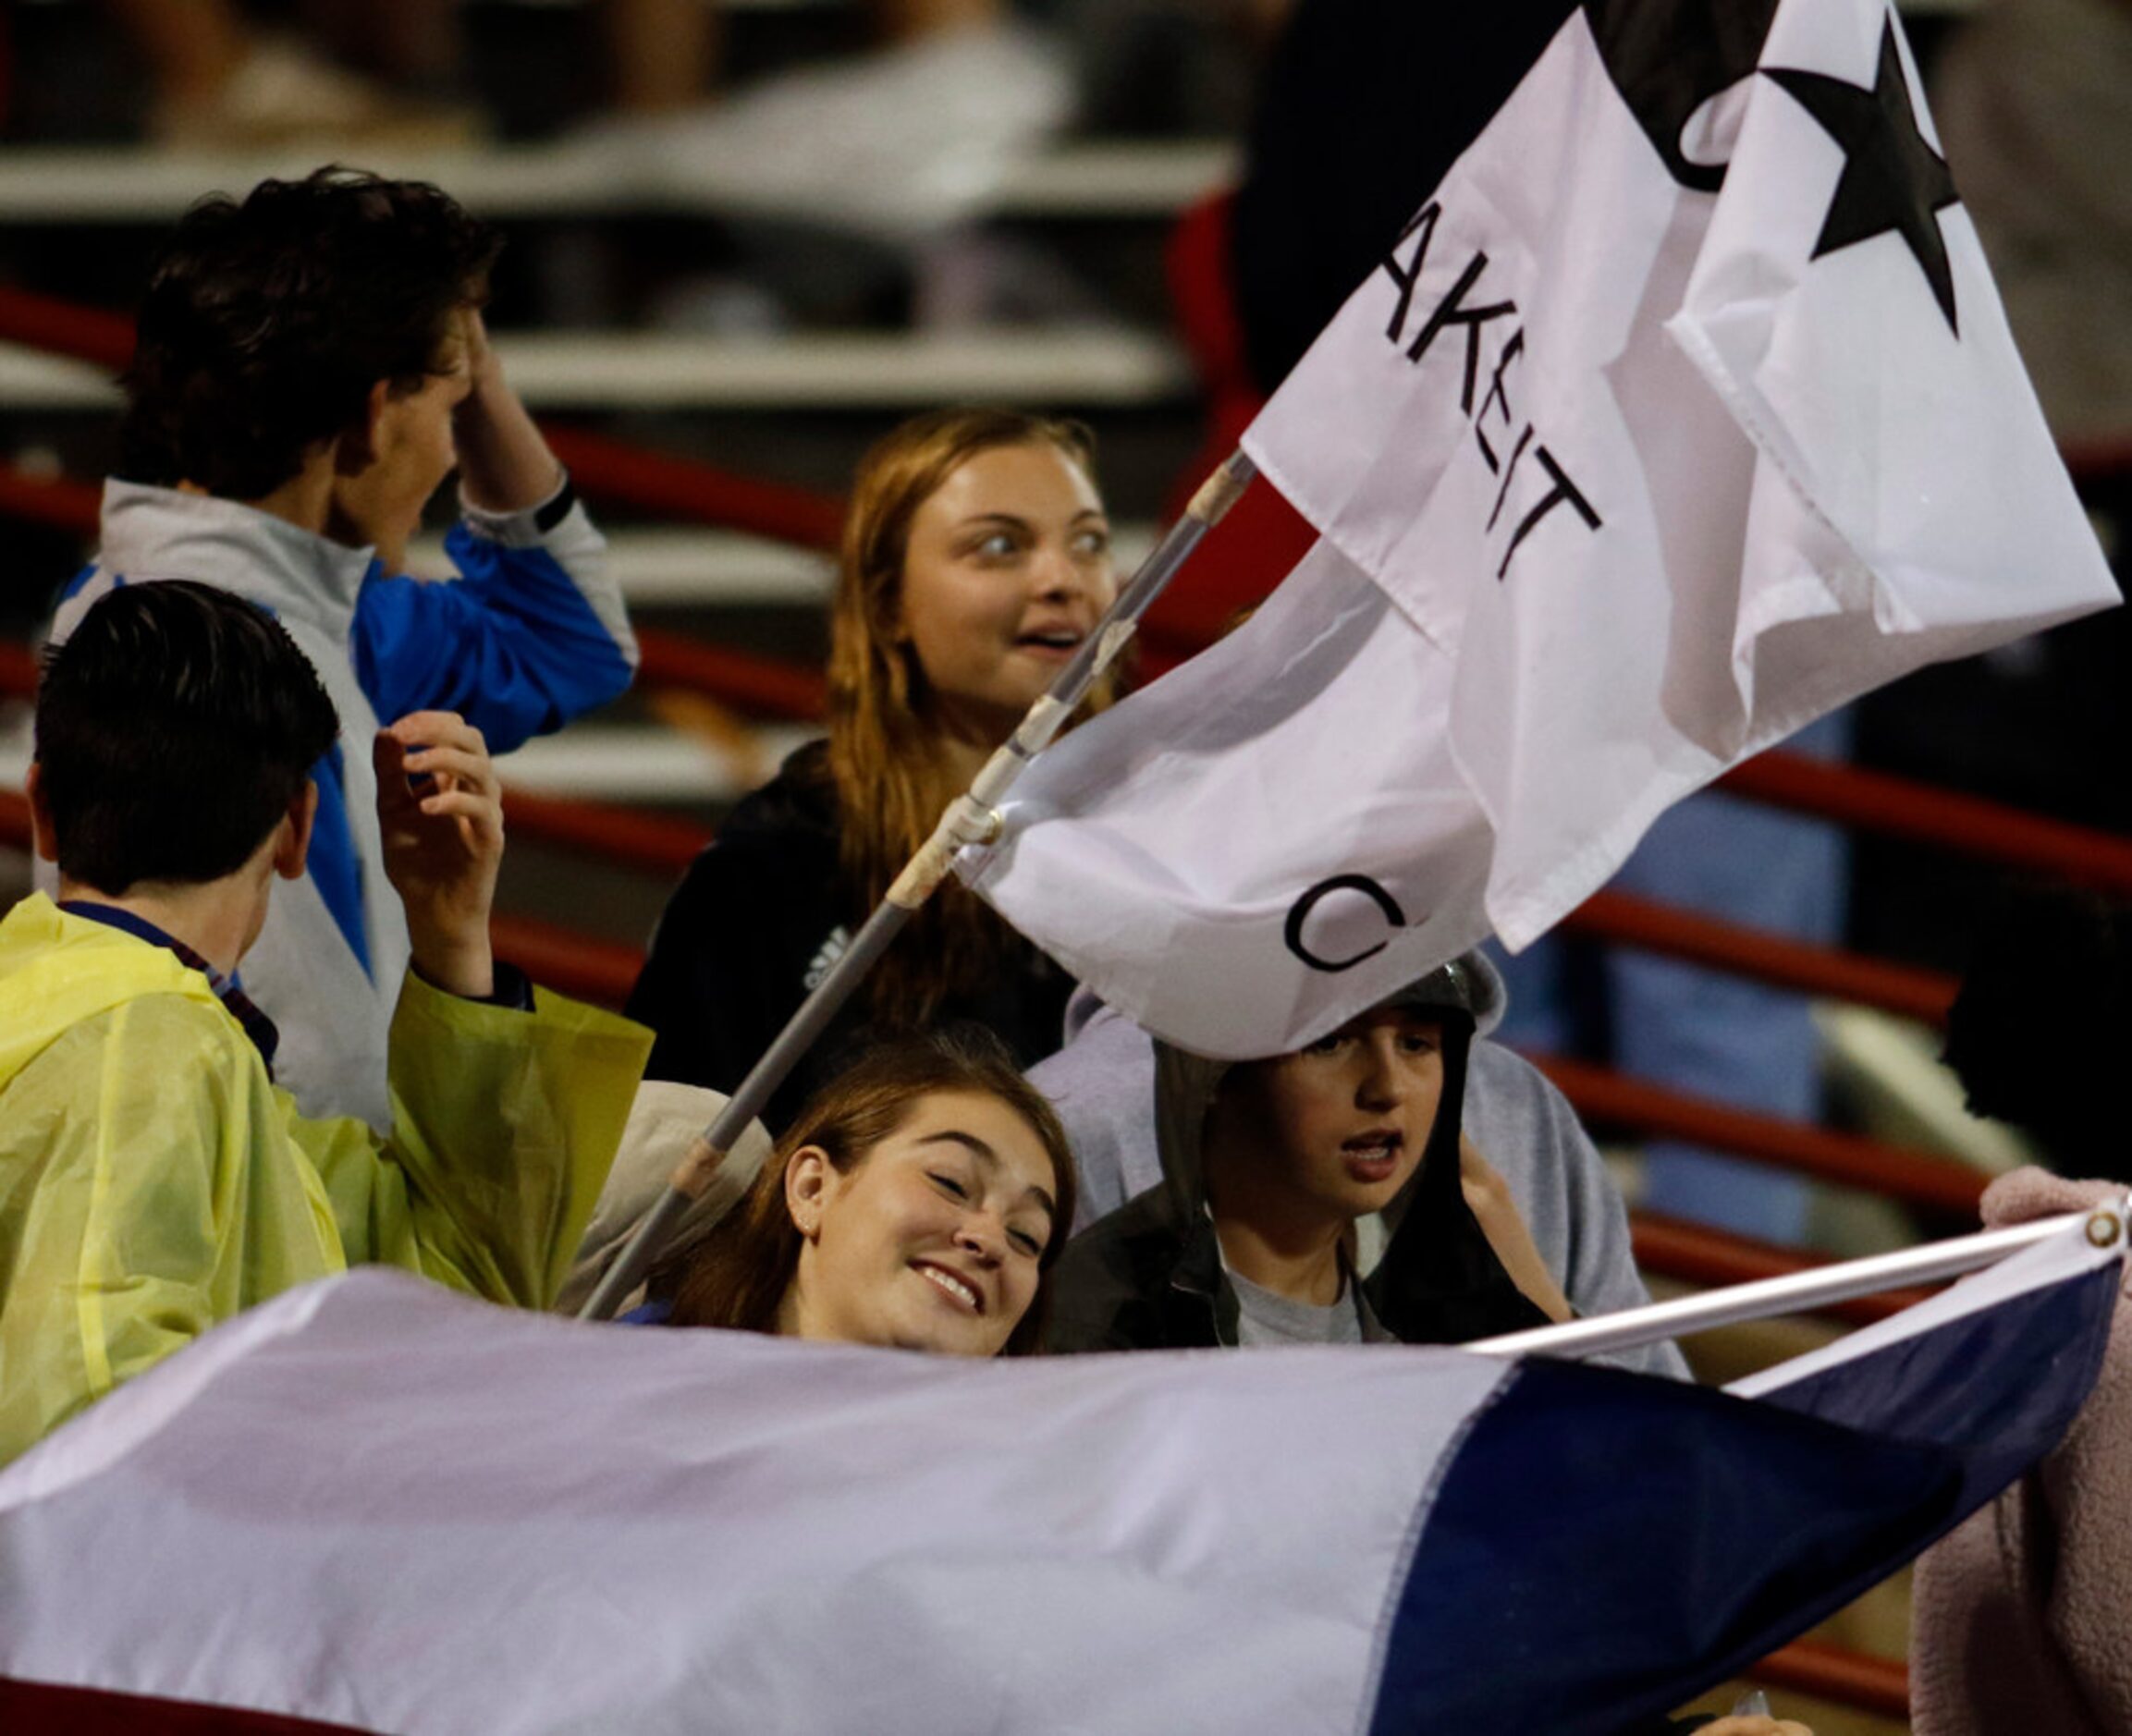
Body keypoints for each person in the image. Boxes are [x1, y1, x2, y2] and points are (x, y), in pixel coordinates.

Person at [0, 582, 653, 1465]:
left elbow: (458, 1291)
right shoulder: (147, 1044)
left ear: (39, 808)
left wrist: (452, 938)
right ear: (299, 829)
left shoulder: (145, 1033)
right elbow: (89, 1445)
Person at [49, 166, 638, 1130]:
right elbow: (311, 1070)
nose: (455, 453)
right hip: (287, 1227)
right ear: (374, 413)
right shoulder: (217, 670)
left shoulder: (312, 610)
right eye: (450, 412)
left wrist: (461, 359)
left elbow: (570, 645)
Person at [628, 406, 1116, 1127]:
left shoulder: (1164, 834)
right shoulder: (776, 864)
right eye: (1001, 546)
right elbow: (680, 1168)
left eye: (1088, 543)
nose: (1063, 579)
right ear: (888, 602)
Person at [1032, 950, 1687, 1374]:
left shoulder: (1514, 1110)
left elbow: (1666, 1481)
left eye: (1416, 1043)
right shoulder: (1076, 1128)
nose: (1387, 1088)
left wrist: (1537, 1317)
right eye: (1331, 1041)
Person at [649, 1027, 1077, 1357]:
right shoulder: (624, 1379)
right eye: (951, 1183)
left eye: (1025, 1236)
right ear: (812, 1188)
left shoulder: (1020, 1472)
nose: (989, 1240)